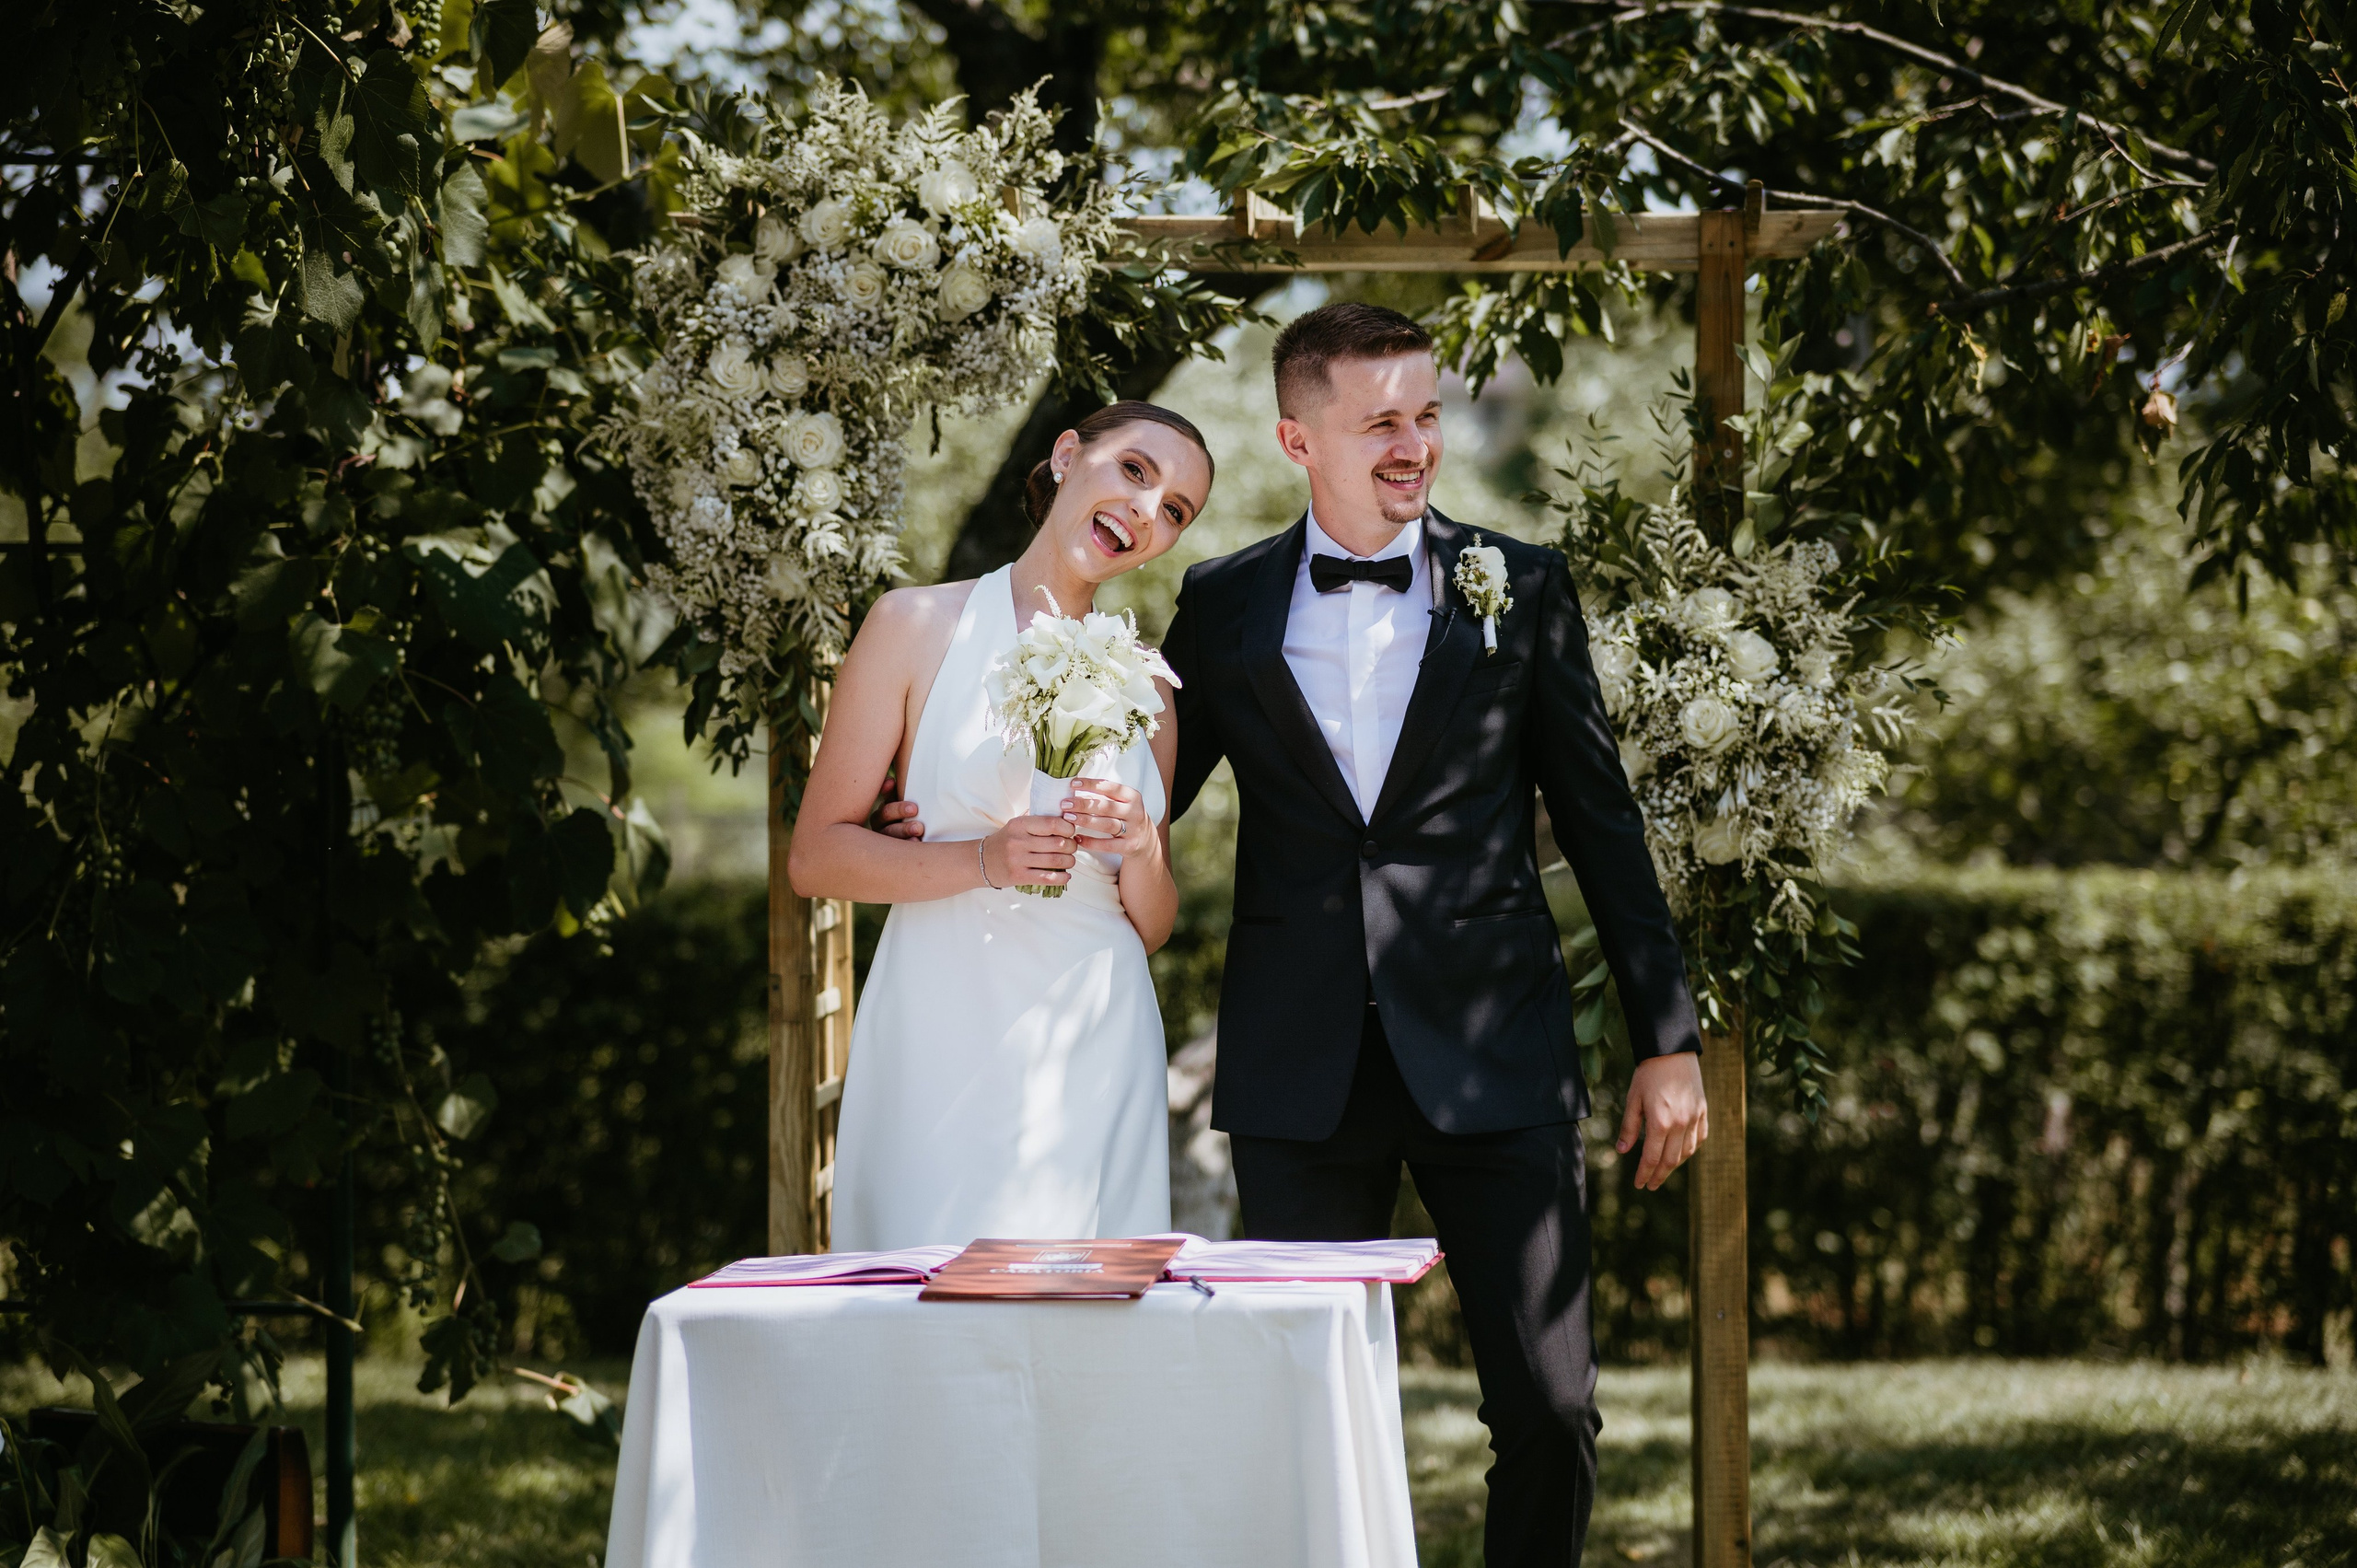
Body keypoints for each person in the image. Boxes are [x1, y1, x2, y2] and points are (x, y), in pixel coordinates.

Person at [1158, 302, 1710, 1568]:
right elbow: (1147, 798)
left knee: (1552, 1408)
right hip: (1299, 1067)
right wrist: (979, 808)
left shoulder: (1523, 586)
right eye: (1379, 423)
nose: (1414, 445)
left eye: (1425, 414)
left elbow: (1602, 823)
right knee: (1303, 1410)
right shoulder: (1223, 603)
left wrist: (1667, 1037)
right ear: (1299, 439)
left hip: (1495, 1051)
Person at [787, 401, 1214, 1251]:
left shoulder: (1151, 690)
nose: (1146, 509)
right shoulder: (913, 625)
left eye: (1174, 510)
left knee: (1083, 1301)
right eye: (1135, 471)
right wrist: (983, 858)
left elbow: (1154, 923)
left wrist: (1140, 844)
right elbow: (816, 856)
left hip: (1096, 1031)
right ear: (1067, 455)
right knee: (925, 1280)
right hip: (943, 1017)